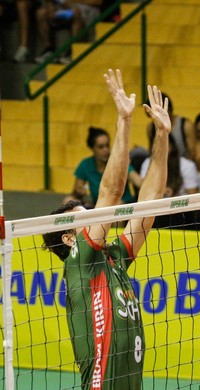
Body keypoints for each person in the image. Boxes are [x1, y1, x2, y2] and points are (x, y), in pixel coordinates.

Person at [41, 70, 171, 388]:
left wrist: (162, 136)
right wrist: (123, 122)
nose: (96, 216)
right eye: (84, 214)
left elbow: (149, 205)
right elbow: (111, 194)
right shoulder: (79, 260)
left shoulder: (112, 258)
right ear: (70, 237)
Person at [65, 126, 141, 208]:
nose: (106, 150)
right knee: (68, 200)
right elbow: (75, 192)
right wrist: (79, 191)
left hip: (122, 205)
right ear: (92, 148)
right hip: (98, 205)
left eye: (107, 145)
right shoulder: (85, 165)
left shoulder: (118, 162)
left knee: (116, 204)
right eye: (101, 147)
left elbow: (138, 181)